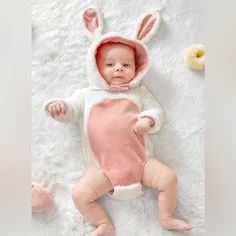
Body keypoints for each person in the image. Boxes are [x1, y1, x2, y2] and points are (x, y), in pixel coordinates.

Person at [45, 41, 192, 236]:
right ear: (96, 68)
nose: (119, 69)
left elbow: (156, 110)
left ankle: (166, 217)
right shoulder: (86, 95)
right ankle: (104, 224)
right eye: (110, 64)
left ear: (136, 68)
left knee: (169, 178)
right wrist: (59, 107)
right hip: (103, 169)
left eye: (126, 65)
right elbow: (71, 111)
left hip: (141, 163)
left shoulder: (138, 92)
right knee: (79, 195)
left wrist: (148, 119)